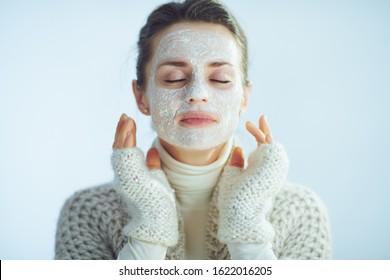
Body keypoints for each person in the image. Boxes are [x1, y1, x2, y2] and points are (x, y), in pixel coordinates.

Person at [55, 0, 331, 260]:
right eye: (174, 78)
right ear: (142, 97)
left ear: (244, 97)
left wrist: (248, 232)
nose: (197, 93)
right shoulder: (88, 213)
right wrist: (149, 234)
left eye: (220, 79)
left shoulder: (300, 211)